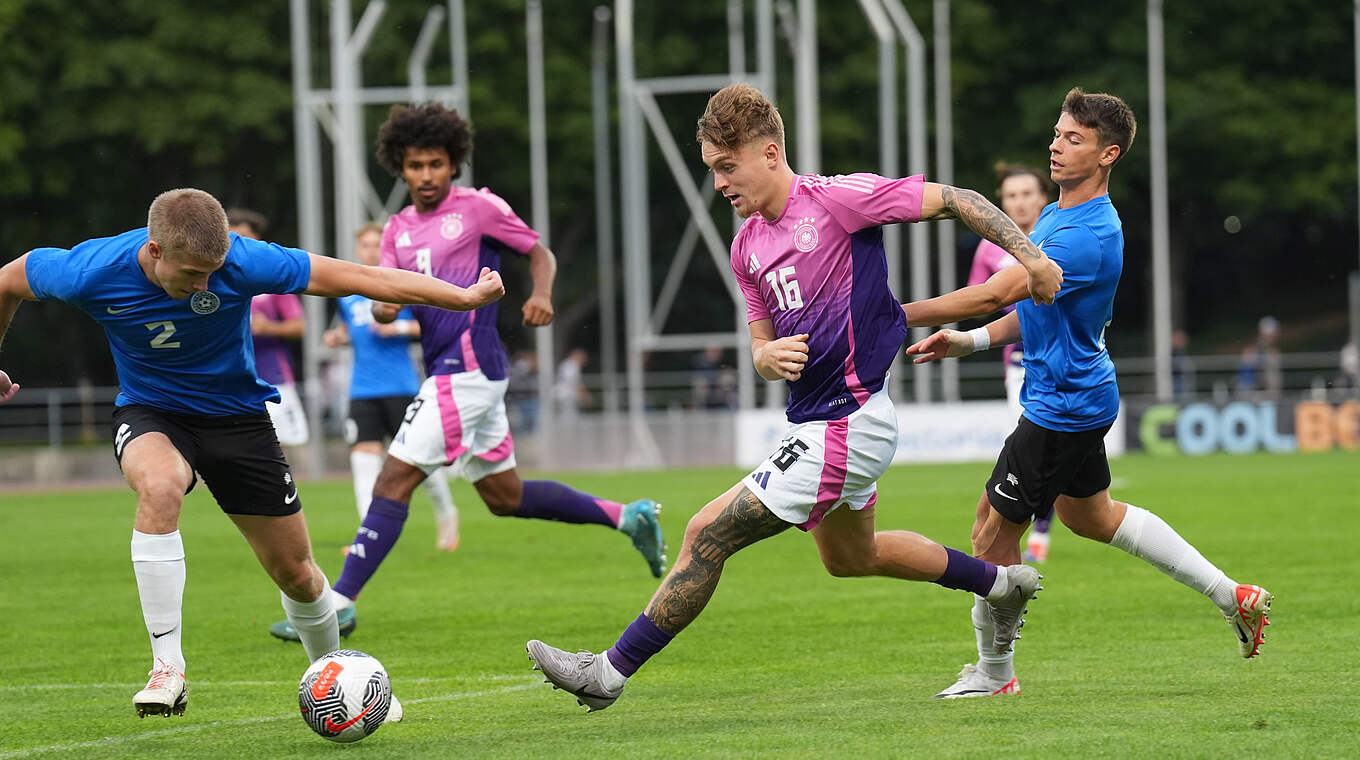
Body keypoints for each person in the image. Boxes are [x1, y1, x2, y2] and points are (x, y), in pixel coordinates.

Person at [524, 82, 1063, 712]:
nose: (721, 182)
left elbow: (961, 200)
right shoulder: (746, 245)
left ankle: (607, 674)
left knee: (705, 533)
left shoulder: (838, 200)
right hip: (818, 421)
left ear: (771, 154)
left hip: (847, 423)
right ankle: (1000, 584)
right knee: (851, 558)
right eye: (712, 169)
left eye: (728, 166)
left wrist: (1030, 257)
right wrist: (764, 355)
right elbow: (759, 343)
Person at [0, 187, 503, 718]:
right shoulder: (90, 270)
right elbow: (9, 279)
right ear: (153, 250)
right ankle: (167, 668)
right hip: (151, 412)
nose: (204, 285)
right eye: (192, 274)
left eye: (212, 273)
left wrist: (461, 297)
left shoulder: (242, 261)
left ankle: (340, 677)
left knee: (299, 574)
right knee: (161, 484)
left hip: (238, 421)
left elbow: (360, 277)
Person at [904, 88, 1272, 699]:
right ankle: (1231, 595)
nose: (1055, 144)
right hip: (1077, 395)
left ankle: (995, 674)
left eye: (1073, 139)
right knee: (1090, 516)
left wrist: (891, 316)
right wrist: (968, 344)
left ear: (1108, 154)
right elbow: (1033, 310)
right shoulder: (1057, 215)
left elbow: (998, 292)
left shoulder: (1085, 234)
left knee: (989, 538)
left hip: (1062, 405)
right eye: (1056, 132)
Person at [268, 103, 666, 644]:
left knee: (394, 478)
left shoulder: (479, 209)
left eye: (436, 163)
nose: (426, 176)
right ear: (400, 169)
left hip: (469, 369)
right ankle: (628, 516)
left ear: (453, 163)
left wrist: (542, 294)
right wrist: (384, 310)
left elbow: (538, 252)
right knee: (506, 497)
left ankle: (339, 602)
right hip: (446, 370)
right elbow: (390, 299)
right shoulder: (397, 232)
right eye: (415, 166)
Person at [325, 221, 459, 550]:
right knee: (363, 460)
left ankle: (447, 513)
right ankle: (366, 537)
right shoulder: (348, 292)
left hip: (401, 386)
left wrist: (396, 329)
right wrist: (338, 336)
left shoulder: (402, 284)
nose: (370, 250)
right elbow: (350, 327)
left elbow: (431, 326)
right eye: (365, 245)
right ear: (358, 250)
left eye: (376, 244)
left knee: (419, 462)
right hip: (361, 389)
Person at [965, 164, 1054, 563]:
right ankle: (1034, 525)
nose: (1018, 202)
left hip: (1059, 355)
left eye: (1025, 194)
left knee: (1049, 449)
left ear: (1042, 198)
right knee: (1024, 445)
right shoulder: (989, 248)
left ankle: (1041, 528)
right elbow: (977, 297)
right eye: (1011, 196)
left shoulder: (1055, 235)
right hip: (1016, 359)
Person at [227, 209, 310, 449]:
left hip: (273, 379)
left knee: (286, 444)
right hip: (231, 379)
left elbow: (299, 326)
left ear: (257, 240)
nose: (237, 245)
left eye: (243, 238)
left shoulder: (272, 281)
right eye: (231, 238)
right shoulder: (213, 282)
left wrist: (269, 328)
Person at [553, 346, 591, 418]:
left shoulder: (569, 365)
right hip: (566, 396)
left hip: (566, 396)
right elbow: (575, 383)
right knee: (569, 419)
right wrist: (585, 396)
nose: (584, 360)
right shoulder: (570, 366)